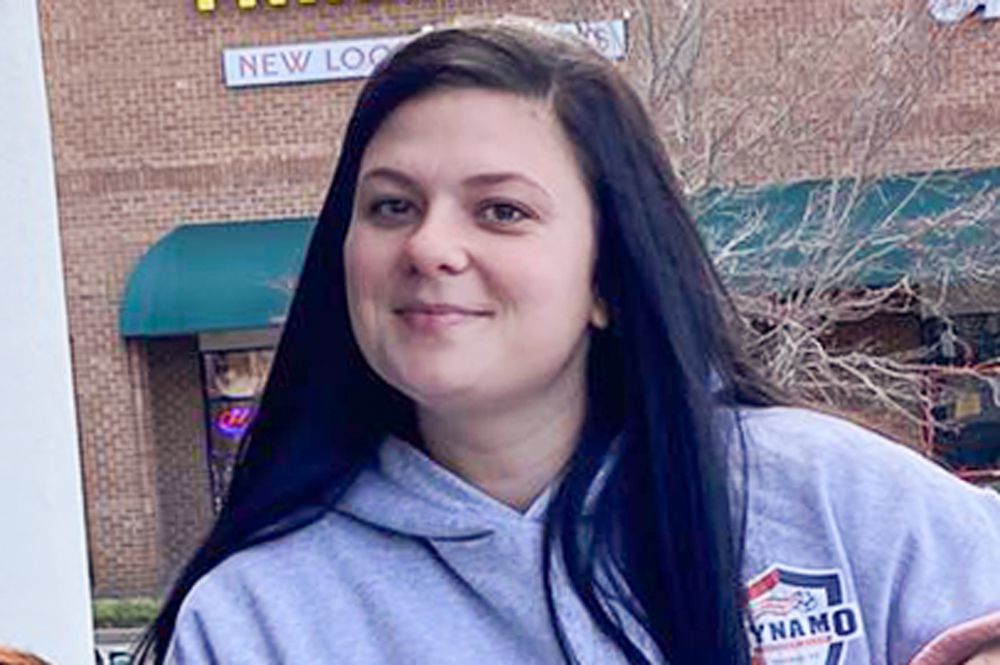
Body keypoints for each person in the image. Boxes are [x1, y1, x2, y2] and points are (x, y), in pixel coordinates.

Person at [137, 21, 1000, 665]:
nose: (430, 246)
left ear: (606, 276)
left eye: (501, 210)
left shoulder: (837, 503)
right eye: (392, 205)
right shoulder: (255, 619)